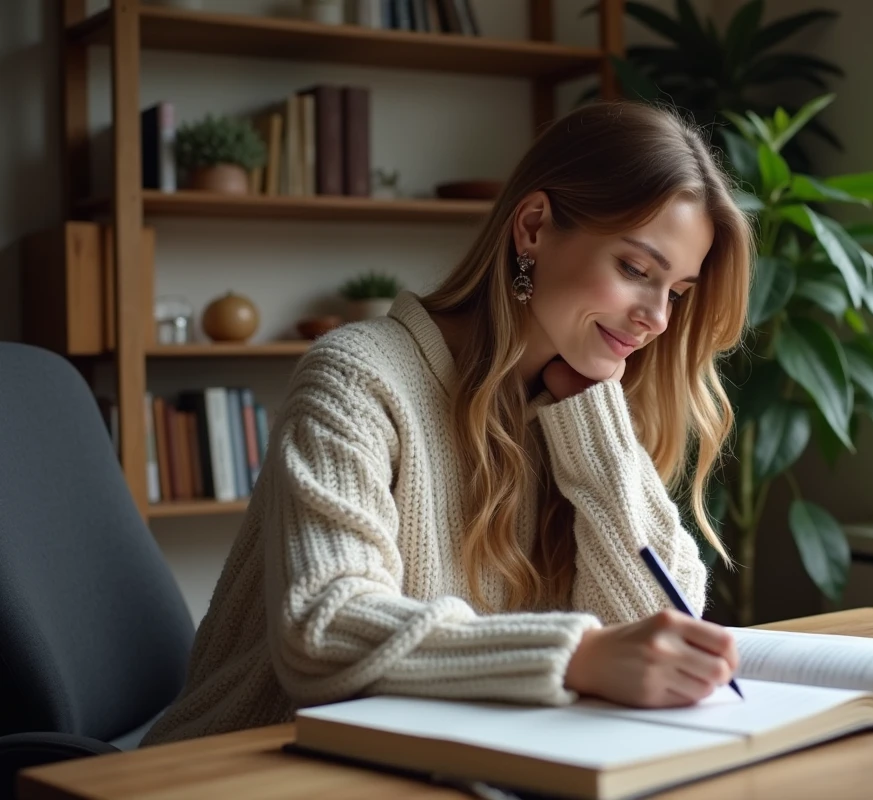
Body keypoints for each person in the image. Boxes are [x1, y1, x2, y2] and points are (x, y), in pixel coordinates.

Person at [142, 100, 754, 746]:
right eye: (636, 270)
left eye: (677, 292)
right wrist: (578, 658)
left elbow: (653, 644)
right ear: (534, 228)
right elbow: (323, 630)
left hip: (448, 765)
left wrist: (594, 428)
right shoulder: (358, 378)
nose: (657, 318)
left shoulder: (582, 407)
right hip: (251, 767)